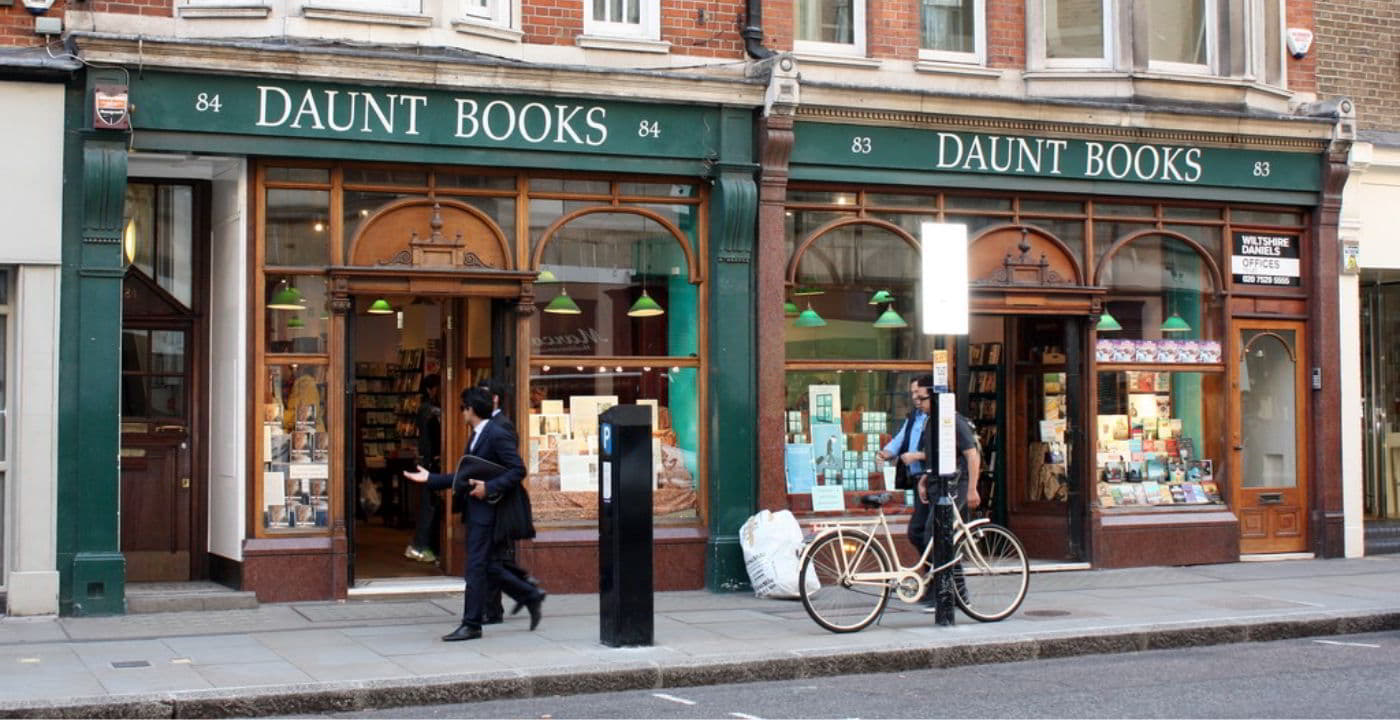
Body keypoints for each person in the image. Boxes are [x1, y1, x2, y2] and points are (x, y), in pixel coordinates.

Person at [404, 387, 545, 641]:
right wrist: (431, 479)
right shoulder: (478, 434)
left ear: (471, 409)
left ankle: (471, 624)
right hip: (478, 510)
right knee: (488, 565)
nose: (461, 413)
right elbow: (467, 474)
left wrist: (489, 487)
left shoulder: (496, 433)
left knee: (476, 567)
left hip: (488, 512)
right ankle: (529, 594)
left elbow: (518, 470)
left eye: (462, 408)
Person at [910, 376, 981, 611]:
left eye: (921, 397)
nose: (917, 402)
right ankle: (938, 587)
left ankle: (953, 593)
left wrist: (972, 489)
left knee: (937, 533)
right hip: (934, 484)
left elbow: (971, 454)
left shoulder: (953, 421)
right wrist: (923, 479)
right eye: (915, 397)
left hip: (954, 486)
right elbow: (936, 456)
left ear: (936, 396)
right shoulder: (930, 422)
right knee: (918, 531)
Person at [476, 377, 540, 624]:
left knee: (495, 558)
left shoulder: (501, 426)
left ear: (494, 399)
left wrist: (490, 487)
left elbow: (514, 469)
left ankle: (499, 607)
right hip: (491, 500)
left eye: (482, 396)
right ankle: (520, 596)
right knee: (496, 557)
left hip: (499, 502)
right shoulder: (488, 424)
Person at [876, 375, 932, 552]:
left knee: (920, 530)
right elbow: (901, 438)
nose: (915, 397)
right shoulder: (914, 416)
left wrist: (916, 456)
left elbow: (942, 450)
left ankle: (936, 571)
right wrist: (887, 452)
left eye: (918, 392)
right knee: (921, 530)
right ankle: (933, 572)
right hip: (916, 479)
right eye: (913, 393)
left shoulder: (934, 418)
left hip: (930, 478)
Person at [404, 374, 443, 564]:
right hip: (432, 462)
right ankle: (420, 546)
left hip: (427, 461)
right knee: (430, 506)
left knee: (429, 505)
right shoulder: (432, 411)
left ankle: (423, 545)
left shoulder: (425, 410)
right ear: (430, 389)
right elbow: (433, 437)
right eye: (437, 387)